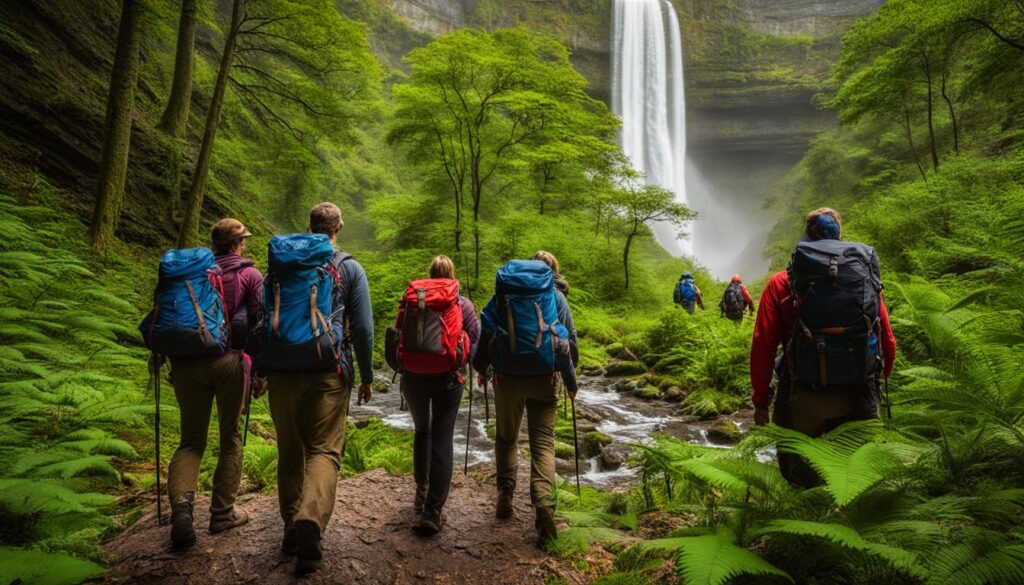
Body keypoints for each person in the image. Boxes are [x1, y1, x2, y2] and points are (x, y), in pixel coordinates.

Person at [750, 208, 896, 487]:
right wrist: (878, 379)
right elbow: (887, 339)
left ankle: (807, 525)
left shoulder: (782, 283)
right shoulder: (862, 279)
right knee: (856, 480)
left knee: (803, 477)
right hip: (860, 392)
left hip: (803, 395)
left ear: (806, 238)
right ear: (840, 236)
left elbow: (763, 346)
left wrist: (760, 401)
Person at [265, 202, 374, 575]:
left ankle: (290, 529)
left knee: (290, 450)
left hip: (280, 370)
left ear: (309, 226)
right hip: (328, 370)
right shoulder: (348, 267)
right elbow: (361, 327)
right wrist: (366, 374)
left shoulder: (281, 263)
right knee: (325, 450)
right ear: (339, 227)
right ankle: (309, 518)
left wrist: (262, 367)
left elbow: (266, 313)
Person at [474, 250, 578, 550]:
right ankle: (544, 508)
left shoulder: (505, 294)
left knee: (506, 438)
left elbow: (487, 327)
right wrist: (570, 383)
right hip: (545, 379)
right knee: (542, 443)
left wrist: (482, 368)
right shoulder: (557, 299)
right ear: (551, 273)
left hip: (506, 378)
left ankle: (505, 496)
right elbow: (568, 344)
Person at [166, 219, 261, 549]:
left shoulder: (190, 271)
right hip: (229, 362)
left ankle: (182, 509)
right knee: (230, 435)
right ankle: (222, 514)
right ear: (239, 244)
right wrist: (260, 369)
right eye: (244, 241)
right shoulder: (249, 275)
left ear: (214, 244)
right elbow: (259, 323)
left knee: (190, 441)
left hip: (186, 363)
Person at [396, 255, 480, 536]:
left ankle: (421, 490)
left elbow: (398, 332)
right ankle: (432, 512)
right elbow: (475, 336)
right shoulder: (461, 303)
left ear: (430, 274)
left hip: (413, 377)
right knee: (443, 439)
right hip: (447, 378)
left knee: (423, 431)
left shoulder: (413, 297)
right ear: (451, 274)